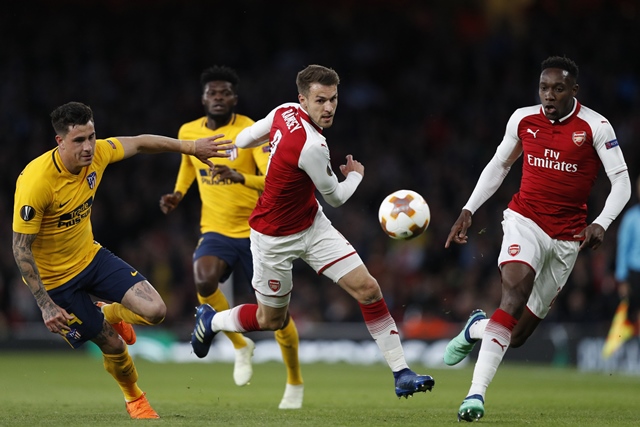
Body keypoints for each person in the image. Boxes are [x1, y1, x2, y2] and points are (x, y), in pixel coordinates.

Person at [190, 64, 435, 399]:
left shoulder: (283, 111)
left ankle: (401, 372)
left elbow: (245, 139)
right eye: (320, 100)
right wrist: (356, 176)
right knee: (271, 320)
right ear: (303, 99)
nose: (329, 107)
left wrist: (265, 145)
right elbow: (335, 196)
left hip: (312, 225)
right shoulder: (312, 146)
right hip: (272, 237)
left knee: (368, 289)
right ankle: (212, 321)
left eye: (333, 99)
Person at [12, 101, 232, 419]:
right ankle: (135, 399)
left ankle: (110, 312)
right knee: (114, 346)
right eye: (79, 140)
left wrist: (192, 146)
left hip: (91, 257)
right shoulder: (37, 182)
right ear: (59, 141)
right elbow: (20, 248)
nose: (88, 147)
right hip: (55, 283)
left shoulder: (99, 153)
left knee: (156, 311)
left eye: (91, 136)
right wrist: (45, 304)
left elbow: (141, 142)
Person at [444, 55, 631, 422]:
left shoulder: (596, 127)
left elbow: (621, 181)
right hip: (524, 220)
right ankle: (475, 395)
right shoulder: (522, 119)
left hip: (567, 238)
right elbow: (500, 165)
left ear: (573, 91)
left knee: (516, 336)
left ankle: (476, 328)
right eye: (544, 88)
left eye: (558, 88)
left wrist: (602, 223)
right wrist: (469, 208)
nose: (549, 95)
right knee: (512, 295)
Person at [159, 65, 304, 409]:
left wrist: (239, 179)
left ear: (235, 98)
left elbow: (271, 179)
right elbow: (187, 164)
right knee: (203, 279)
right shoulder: (188, 130)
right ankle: (241, 346)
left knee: (279, 316)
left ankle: (294, 381)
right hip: (217, 230)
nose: (219, 98)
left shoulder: (250, 131)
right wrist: (178, 194)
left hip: (259, 231)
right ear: (204, 98)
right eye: (213, 93)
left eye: (226, 93)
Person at [603, 174, 640, 357]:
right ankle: (625, 352)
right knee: (631, 314)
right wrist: (622, 279)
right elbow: (623, 248)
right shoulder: (632, 217)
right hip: (635, 273)